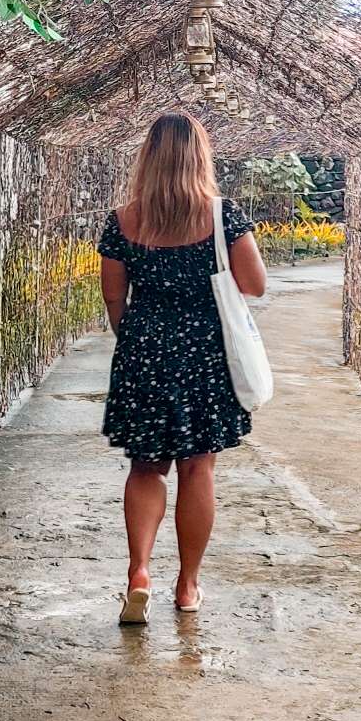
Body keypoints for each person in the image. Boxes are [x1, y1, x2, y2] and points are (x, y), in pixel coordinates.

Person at [97, 113, 267, 625]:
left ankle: (138, 573)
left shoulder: (123, 220)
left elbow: (113, 296)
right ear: (200, 157)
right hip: (205, 354)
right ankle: (188, 585)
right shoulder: (222, 215)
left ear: (148, 157)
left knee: (145, 467)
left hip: (144, 350)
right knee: (197, 468)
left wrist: (137, 338)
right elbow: (255, 284)